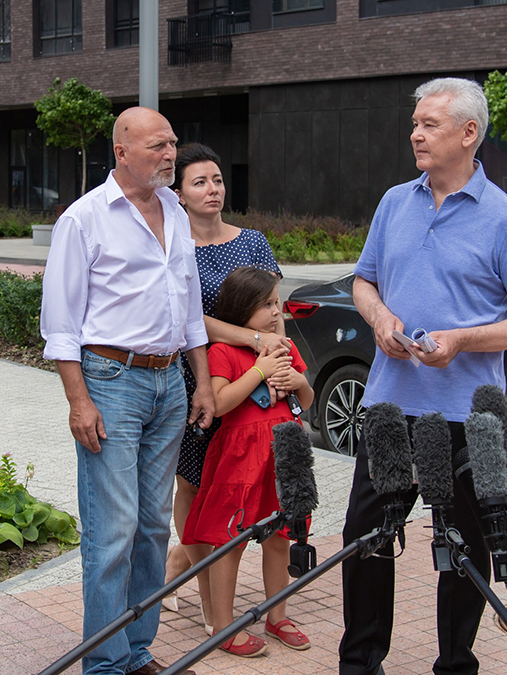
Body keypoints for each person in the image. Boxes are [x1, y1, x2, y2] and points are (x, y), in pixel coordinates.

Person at [338, 77, 507, 675]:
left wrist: (461, 341)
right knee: (366, 542)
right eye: (415, 124)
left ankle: (455, 665)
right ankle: (359, 665)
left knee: (463, 553)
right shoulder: (393, 202)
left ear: (468, 133)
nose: (415, 134)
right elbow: (364, 280)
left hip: (468, 415)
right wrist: (379, 318)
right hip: (388, 404)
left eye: (429, 125)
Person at [40, 107, 216, 675]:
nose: (170, 155)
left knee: (151, 528)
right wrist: (78, 400)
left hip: (169, 382)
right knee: (112, 532)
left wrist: (204, 381)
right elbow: (61, 326)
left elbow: (190, 307)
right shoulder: (84, 219)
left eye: (172, 143)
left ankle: (137, 652)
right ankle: (106, 665)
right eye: (157, 146)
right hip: (110, 383)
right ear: (122, 152)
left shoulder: (174, 209)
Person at [162, 143, 284, 627]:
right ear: (180, 195)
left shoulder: (253, 241)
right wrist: (254, 340)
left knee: (245, 482)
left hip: (255, 379)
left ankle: (181, 564)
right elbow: (192, 319)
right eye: (199, 182)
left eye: (216, 179)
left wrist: (279, 360)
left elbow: (277, 308)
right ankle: (209, 592)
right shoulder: (175, 247)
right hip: (199, 377)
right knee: (194, 481)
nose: (212, 189)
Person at [181, 266, 315, 657]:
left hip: (284, 457)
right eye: (267, 305)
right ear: (241, 310)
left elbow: (304, 401)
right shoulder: (223, 351)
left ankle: (278, 615)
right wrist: (260, 370)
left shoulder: (283, 348)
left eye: (276, 303)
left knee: (280, 538)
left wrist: (299, 384)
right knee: (231, 540)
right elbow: (219, 403)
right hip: (240, 462)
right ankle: (224, 626)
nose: (276, 312)